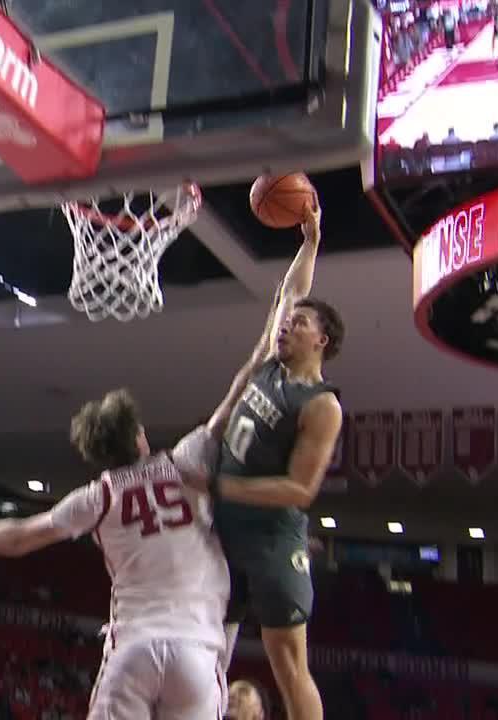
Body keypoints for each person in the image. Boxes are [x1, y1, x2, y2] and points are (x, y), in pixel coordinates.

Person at [0, 375, 260, 718]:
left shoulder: (98, 497)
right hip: (197, 649)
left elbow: (21, 537)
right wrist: (262, 355)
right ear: (139, 436)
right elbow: (227, 410)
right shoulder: (183, 462)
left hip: (135, 649)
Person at [193, 200, 343, 720]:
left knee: (288, 665)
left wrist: (219, 486)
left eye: (298, 325)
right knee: (207, 651)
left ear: (320, 340)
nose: (286, 326)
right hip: (226, 533)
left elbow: (299, 491)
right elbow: (291, 290)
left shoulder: (321, 405)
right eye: (286, 322)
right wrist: (311, 241)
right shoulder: (270, 365)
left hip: (273, 543)